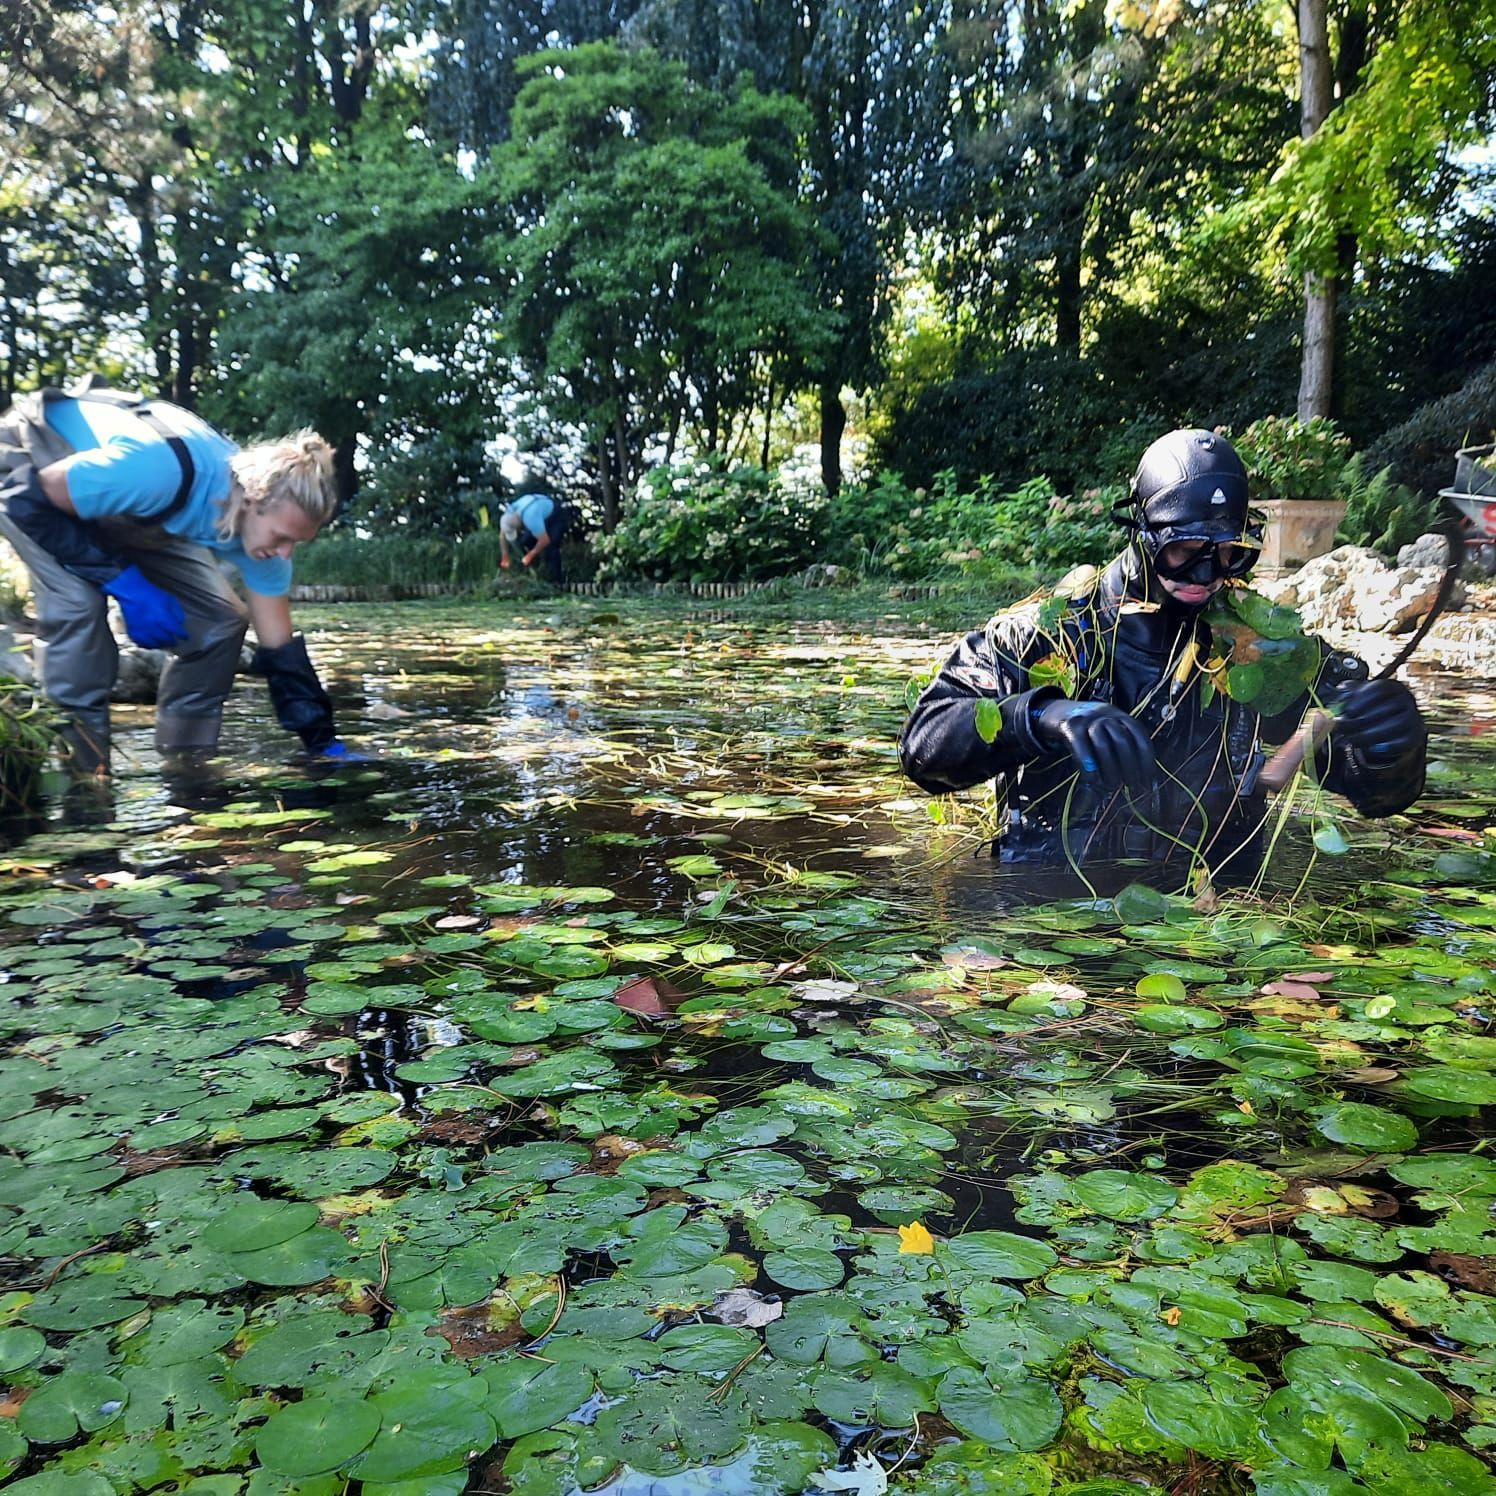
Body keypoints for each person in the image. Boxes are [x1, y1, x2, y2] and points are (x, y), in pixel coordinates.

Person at [898, 428, 1427, 883]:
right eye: (1183, 551)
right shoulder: (1045, 637)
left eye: (1227, 555)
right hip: (1046, 917)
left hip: (1217, 920)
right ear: (1142, 534)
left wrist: (1390, 749)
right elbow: (923, 747)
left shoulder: (1260, 650)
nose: (1206, 576)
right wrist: (1037, 716)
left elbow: (1373, 793)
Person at [0, 381, 350, 774]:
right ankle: (84, 777)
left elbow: (281, 651)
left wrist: (323, 742)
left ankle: (187, 768)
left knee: (222, 623)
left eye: (296, 543)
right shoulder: (157, 472)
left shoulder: (263, 534)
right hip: (33, 466)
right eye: (283, 538)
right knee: (80, 607)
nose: (285, 553)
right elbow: (24, 498)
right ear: (252, 500)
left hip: (128, 503)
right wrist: (125, 583)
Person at [498, 478, 569, 584]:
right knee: (525, 542)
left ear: (519, 526)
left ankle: (555, 582)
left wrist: (530, 555)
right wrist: (505, 556)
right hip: (536, 511)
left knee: (551, 547)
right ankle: (534, 574)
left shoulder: (531, 519)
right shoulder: (509, 513)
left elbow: (544, 540)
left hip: (555, 516)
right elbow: (502, 536)